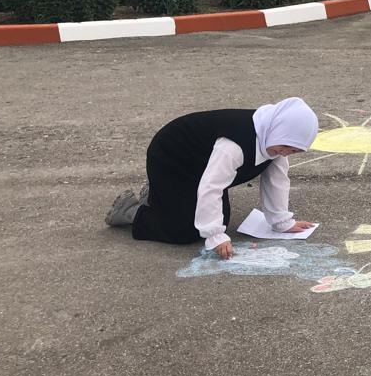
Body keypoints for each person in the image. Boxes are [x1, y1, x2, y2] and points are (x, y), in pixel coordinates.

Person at [105, 97, 319, 259]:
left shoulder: (275, 142)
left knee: (219, 219)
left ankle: (158, 196)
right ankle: (132, 211)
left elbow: (277, 183)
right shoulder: (234, 146)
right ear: (278, 130)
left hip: (203, 163)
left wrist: (282, 222)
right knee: (184, 231)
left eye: (294, 151)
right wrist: (215, 236)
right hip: (172, 157)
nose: (285, 153)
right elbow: (212, 186)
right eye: (285, 146)